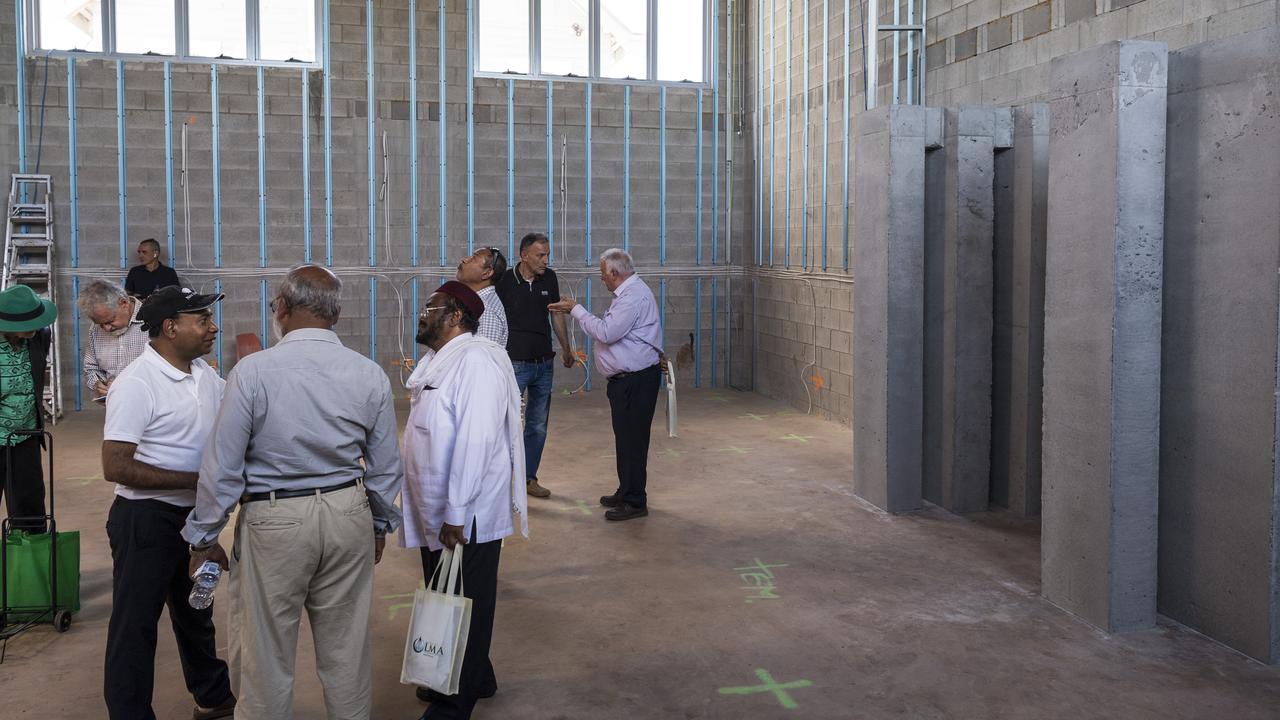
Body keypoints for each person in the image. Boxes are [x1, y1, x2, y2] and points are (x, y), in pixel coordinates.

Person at [182, 264, 403, 720]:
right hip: (348, 513)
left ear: (281, 309)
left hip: (275, 521)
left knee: (265, 654)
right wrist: (378, 524)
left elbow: (223, 467)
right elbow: (385, 466)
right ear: (336, 314)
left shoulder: (253, 372)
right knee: (346, 651)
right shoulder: (369, 374)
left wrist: (204, 538)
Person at [101, 286, 236, 720]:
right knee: (135, 626)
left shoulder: (206, 377)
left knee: (197, 614)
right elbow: (116, 466)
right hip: (145, 519)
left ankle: (213, 699)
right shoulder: (137, 383)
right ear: (171, 327)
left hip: (195, 520)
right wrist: (200, 481)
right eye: (201, 318)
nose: (212, 326)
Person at [400, 281, 527, 720]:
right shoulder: (439, 360)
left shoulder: (475, 362)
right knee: (446, 594)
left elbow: (475, 440)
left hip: (464, 513)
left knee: (467, 602)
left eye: (431, 307)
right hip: (437, 510)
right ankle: (475, 675)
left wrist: (455, 513)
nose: (423, 313)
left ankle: (456, 702)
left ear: (456, 317)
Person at [549, 248, 662, 522]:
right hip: (627, 381)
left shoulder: (632, 297)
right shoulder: (628, 294)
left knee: (633, 441)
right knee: (625, 439)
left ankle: (636, 501)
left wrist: (575, 309)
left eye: (603, 273)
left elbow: (606, 333)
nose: (601, 278)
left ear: (615, 273)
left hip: (636, 381)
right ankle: (627, 490)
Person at [493, 233, 575, 499]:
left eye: (547, 254)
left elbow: (556, 315)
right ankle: (503, 482)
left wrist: (565, 348)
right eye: (540, 255)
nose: (546, 260)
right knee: (506, 425)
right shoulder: (504, 280)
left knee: (537, 425)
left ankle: (528, 479)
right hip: (514, 364)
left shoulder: (549, 278)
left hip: (543, 364)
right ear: (524, 255)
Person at [0, 284, 56, 533]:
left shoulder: (39, 336)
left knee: (30, 503)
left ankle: (31, 563)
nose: (36, 326)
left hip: (25, 435)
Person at [78, 280, 147, 400]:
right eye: (100, 324)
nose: (107, 328)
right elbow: (91, 367)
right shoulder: (96, 330)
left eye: (110, 321)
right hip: (115, 405)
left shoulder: (153, 323)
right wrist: (97, 383)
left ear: (124, 303)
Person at [455, 247, 508, 346]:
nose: (464, 260)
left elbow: (484, 358)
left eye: (473, 258)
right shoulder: (476, 302)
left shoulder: (486, 310)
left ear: (487, 273)